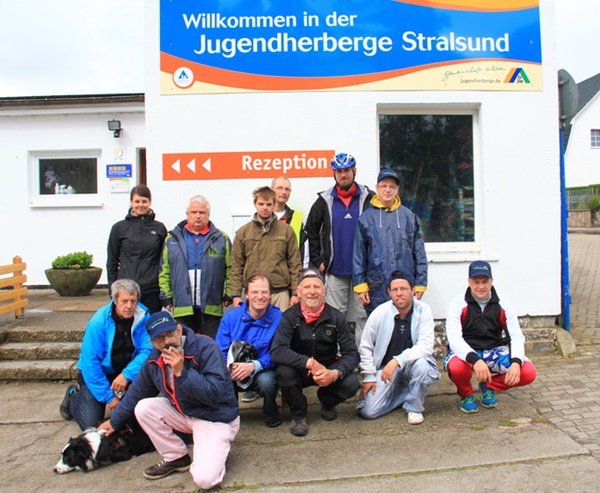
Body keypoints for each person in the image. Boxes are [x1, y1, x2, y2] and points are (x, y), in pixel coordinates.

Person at [98, 312, 240, 489]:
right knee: (144, 407)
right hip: (185, 413)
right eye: (160, 338)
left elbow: (214, 394)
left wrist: (182, 372)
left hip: (214, 418)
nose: (167, 341)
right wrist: (115, 421)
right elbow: (137, 392)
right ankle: (176, 457)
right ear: (152, 343)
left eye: (170, 334)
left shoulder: (206, 347)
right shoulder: (154, 358)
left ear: (179, 330)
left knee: (205, 480)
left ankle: (215, 446)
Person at [270, 268, 360, 437]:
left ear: (324, 291)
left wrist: (335, 373)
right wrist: (309, 363)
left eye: (317, 287)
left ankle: (327, 401)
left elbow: (352, 354)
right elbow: (277, 351)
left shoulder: (336, 317)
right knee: (284, 373)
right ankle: (298, 414)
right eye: (307, 287)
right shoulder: (289, 317)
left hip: (327, 368)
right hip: (300, 369)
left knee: (351, 383)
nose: (312, 291)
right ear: (299, 292)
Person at [445, 261, 537, 413]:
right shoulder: (457, 304)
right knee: (457, 368)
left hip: (493, 349)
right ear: (469, 282)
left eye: (485, 281)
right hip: (467, 350)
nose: (481, 286)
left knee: (527, 372)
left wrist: (516, 362)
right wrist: (475, 360)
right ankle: (466, 394)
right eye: (476, 282)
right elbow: (454, 338)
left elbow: (516, 335)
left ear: (491, 281)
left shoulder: (503, 303)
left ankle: (488, 386)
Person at [59, 279, 152, 430]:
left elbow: (147, 350)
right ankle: (73, 397)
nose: (129, 306)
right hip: (97, 373)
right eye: (124, 301)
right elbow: (90, 362)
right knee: (91, 424)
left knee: (135, 418)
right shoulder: (98, 322)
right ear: (115, 300)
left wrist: (127, 375)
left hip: (125, 373)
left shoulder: (144, 317)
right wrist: (109, 397)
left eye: (133, 301)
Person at [305, 152, 374, 342]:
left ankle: (364, 356)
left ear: (354, 171)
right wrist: (318, 260)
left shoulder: (369, 198)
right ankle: (335, 354)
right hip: (335, 269)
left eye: (346, 170)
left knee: (364, 315)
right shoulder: (324, 200)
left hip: (364, 270)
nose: (343, 175)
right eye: (339, 171)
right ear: (334, 174)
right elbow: (311, 231)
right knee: (335, 315)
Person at [357, 271, 439, 424]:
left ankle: (414, 407)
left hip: (410, 365)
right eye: (395, 289)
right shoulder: (380, 312)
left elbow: (425, 346)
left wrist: (397, 360)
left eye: (404, 289)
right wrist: (369, 376)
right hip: (386, 371)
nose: (399, 293)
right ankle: (407, 393)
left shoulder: (424, 310)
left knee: (423, 365)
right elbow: (366, 346)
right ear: (389, 292)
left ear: (413, 290)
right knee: (369, 412)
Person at [353, 168, 428, 316]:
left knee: (405, 324)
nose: (387, 190)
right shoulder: (366, 218)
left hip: (404, 285)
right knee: (379, 324)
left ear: (397, 189)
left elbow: (419, 253)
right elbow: (358, 255)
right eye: (384, 186)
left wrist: (420, 283)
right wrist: (360, 285)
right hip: (376, 287)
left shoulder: (409, 217)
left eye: (392, 187)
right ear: (377, 188)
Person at [159, 195, 232, 339]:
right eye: (194, 212)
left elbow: (231, 269)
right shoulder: (171, 239)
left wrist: (229, 293)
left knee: (210, 345)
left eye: (202, 212)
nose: (198, 216)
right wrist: (166, 296)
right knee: (185, 345)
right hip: (182, 306)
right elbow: (164, 270)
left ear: (208, 214)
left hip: (211, 306)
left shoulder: (221, 238)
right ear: (187, 214)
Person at [215, 274, 283, 427]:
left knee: (267, 382)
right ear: (246, 294)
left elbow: (279, 351)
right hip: (233, 368)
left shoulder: (280, 318)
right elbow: (220, 350)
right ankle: (230, 413)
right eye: (254, 292)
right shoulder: (230, 318)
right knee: (221, 377)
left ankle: (271, 410)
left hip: (263, 369)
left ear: (270, 295)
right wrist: (230, 368)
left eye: (264, 292)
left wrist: (254, 365)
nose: (259, 296)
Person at [230, 186, 302, 311]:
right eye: (261, 204)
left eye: (268, 204)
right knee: (254, 323)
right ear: (255, 204)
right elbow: (236, 265)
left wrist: (296, 293)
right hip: (253, 292)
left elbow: (295, 264)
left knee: (281, 323)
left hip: (279, 291)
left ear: (274, 205)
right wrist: (235, 295)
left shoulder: (286, 230)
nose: (265, 207)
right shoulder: (243, 232)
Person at [107, 185, 167, 314]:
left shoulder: (159, 228)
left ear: (150, 202)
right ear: (131, 202)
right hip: (126, 289)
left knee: (149, 324)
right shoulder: (119, 228)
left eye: (144, 201)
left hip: (152, 289)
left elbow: (164, 261)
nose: (140, 205)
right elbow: (112, 261)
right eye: (137, 201)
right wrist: (112, 288)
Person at [271, 176, 308, 268]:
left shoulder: (297, 217)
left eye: (287, 189)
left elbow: (304, 251)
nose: (284, 192)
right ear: (271, 190)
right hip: (265, 274)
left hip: (290, 272)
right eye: (280, 188)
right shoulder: (260, 217)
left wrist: (302, 272)